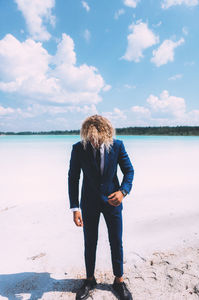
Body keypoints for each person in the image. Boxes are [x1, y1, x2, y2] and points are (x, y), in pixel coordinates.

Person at [68, 115, 134, 300]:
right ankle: (90, 280)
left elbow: (129, 171)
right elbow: (73, 178)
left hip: (113, 201)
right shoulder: (78, 149)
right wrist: (75, 208)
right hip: (88, 203)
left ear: (106, 135)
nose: (93, 143)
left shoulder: (118, 145)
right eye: (90, 139)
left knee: (116, 241)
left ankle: (119, 281)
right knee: (90, 241)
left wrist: (123, 191)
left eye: (97, 140)